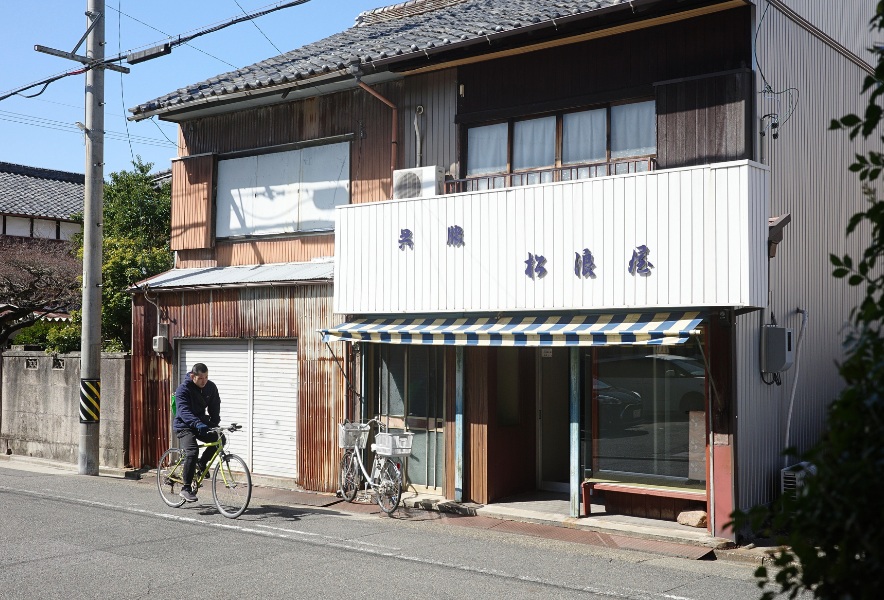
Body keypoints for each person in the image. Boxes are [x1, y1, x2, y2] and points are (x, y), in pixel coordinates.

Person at [173, 363, 221, 502]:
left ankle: (201, 463)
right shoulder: (183, 389)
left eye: (206, 377)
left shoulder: (210, 387)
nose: (204, 381)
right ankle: (186, 488)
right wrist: (197, 423)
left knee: (220, 439)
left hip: (201, 423)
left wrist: (215, 423)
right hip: (184, 425)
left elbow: (215, 405)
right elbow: (183, 411)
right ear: (193, 376)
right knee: (192, 451)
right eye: (201, 378)